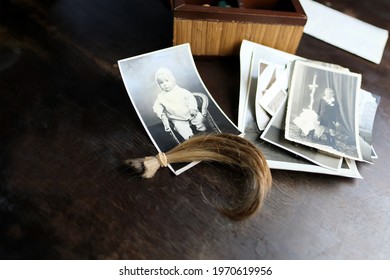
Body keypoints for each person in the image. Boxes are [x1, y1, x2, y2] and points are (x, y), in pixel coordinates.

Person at [152, 68, 207, 140]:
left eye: (167, 81)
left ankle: (203, 131)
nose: (165, 84)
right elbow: (156, 107)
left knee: (199, 118)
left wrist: (193, 109)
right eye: (161, 83)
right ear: (159, 85)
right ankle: (190, 138)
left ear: (172, 80)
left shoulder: (181, 91)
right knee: (181, 128)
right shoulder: (161, 97)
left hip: (191, 113)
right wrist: (161, 114)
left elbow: (191, 98)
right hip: (178, 119)